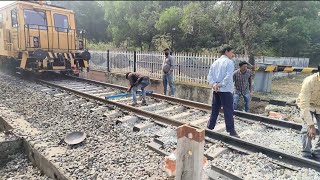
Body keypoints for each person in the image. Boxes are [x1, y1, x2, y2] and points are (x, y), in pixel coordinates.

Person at [207, 46, 239, 137]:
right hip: (226, 90)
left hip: (216, 90)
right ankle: (231, 131)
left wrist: (214, 84)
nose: (232, 54)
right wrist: (220, 85)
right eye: (231, 52)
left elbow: (210, 76)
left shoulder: (215, 62)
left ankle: (210, 127)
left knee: (215, 109)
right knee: (228, 110)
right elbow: (228, 77)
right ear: (226, 52)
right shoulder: (229, 62)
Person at [296, 70, 320, 160]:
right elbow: (304, 105)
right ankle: (306, 152)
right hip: (307, 105)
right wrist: (311, 124)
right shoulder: (309, 81)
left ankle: (318, 151)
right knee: (307, 128)